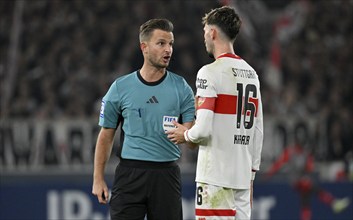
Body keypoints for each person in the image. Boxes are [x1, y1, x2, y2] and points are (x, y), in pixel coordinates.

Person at [92, 18, 195, 220]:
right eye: (161, 43)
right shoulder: (120, 88)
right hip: (130, 175)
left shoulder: (182, 88)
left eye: (171, 44)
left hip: (167, 175)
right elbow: (106, 135)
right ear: (144, 47)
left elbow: (190, 140)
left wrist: (191, 133)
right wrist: (98, 179)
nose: (168, 50)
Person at [167, 6, 263, 220]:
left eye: (205, 33)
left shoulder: (209, 73)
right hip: (242, 177)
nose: (204, 39)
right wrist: (251, 176)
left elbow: (202, 131)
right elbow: (258, 129)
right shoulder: (251, 73)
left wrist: (184, 135)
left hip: (215, 177)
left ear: (212, 33)